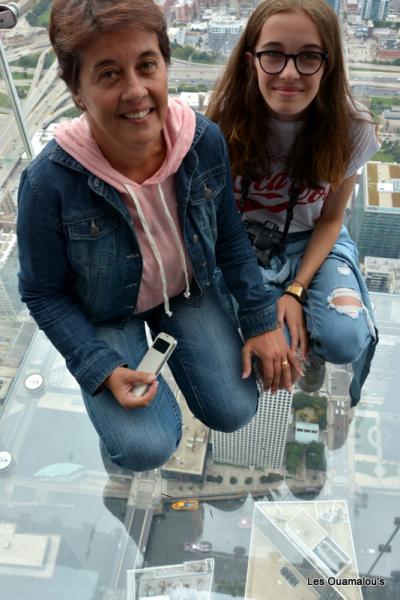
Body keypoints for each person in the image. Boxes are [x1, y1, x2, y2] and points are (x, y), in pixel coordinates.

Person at [17, 0, 303, 472]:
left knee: (235, 410)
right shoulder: (50, 182)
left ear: (165, 65)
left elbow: (229, 236)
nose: (135, 91)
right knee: (144, 448)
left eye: (146, 65)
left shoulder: (201, 141)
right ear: (77, 91)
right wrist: (100, 367)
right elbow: (42, 292)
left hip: (188, 290)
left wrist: (260, 321)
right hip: (105, 310)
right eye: (108, 74)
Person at [207, 0, 379, 405]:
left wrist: (297, 289)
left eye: (308, 57)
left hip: (313, 238)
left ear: (328, 64)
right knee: (274, 355)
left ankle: (314, 341)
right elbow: (215, 222)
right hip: (242, 245)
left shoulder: (351, 128)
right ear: (252, 60)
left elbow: (332, 218)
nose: (289, 72)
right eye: (273, 55)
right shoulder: (220, 123)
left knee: (345, 338)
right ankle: (301, 339)